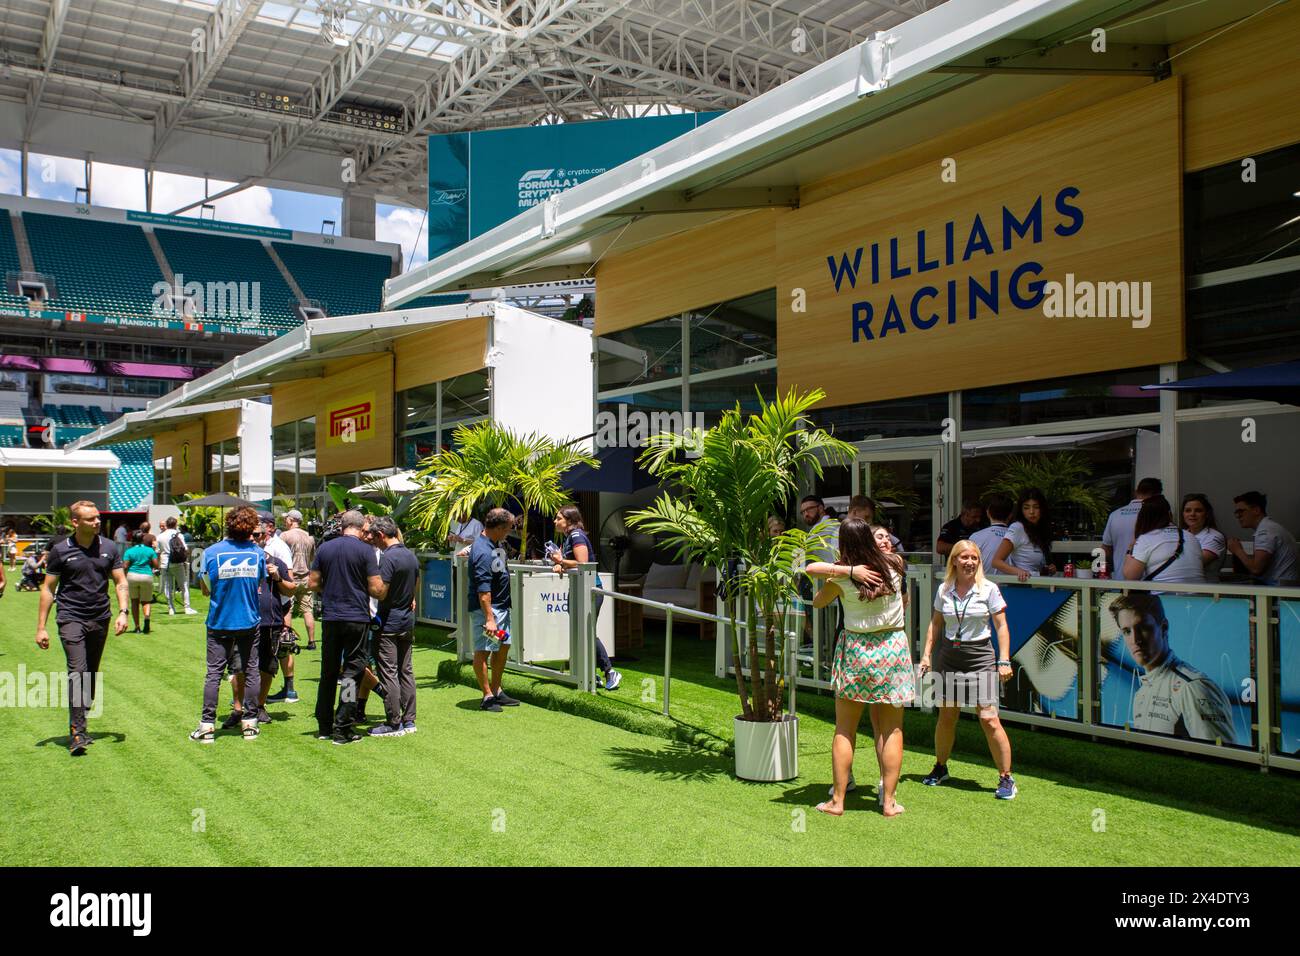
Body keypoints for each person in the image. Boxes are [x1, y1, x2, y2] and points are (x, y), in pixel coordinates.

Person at [805, 518, 913, 817]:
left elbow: (813, 588)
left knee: (845, 728)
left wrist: (846, 571)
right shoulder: (896, 564)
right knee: (892, 728)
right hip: (892, 649)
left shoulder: (839, 580)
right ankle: (889, 802)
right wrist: (852, 568)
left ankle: (838, 801)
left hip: (856, 649)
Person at [919, 540, 1017, 799]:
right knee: (947, 715)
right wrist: (927, 655)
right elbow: (935, 624)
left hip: (980, 657)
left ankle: (1006, 778)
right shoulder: (944, 589)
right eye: (964, 557)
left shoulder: (989, 589)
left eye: (974, 558)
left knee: (988, 718)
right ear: (954, 560)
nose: (970, 562)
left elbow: (1002, 627)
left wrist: (1004, 660)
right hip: (950, 656)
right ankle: (940, 768)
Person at [34, 501, 130, 756]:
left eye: (97, 518)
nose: (97, 522)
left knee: (90, 673)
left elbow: (120, 581)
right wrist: (41, 627)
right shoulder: (60, 550)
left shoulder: (109, 547)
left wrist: (123, 612)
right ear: (75, 523)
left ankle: (82, 712)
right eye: (90, 519)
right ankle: (78, 731)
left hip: (100, 618)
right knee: (77, 670)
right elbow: (48, 588)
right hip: (70, 616)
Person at [1107, 593, 1234, 742]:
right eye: (1127, 631)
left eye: (1143, 627)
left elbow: (1221, 760)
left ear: (1164, 628)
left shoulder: (1193, 688)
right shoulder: (1141, 693)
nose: (1135, 640)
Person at [309, 510, 385, 744]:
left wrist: (332, 589)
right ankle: (343, 727)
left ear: (342, 526)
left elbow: (313, 583)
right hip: (356, 618)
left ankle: (324, 726)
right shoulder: (366, 551)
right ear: (362, 528)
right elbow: (376, 589)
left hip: (332, 617)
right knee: (352, 673)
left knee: (328, 672)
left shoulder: (324, 548)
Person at [190, 507, 266, 743]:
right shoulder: (258, 553)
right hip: (248, 619)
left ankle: (207, 726)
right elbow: (259, 584)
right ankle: (250, 724)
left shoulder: (211, 552)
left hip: (219, 621)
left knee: (214, 673)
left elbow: (204, 588)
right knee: (251, 670)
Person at [224, 521, 297, 730]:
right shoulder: (237, 561)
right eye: (249, 535)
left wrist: (278, 577)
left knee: (268, 666)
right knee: (239, 666)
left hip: (270, 622)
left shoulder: (275, 562)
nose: (253, 539)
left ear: (265, 537)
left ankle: (259, 705)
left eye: (256, 535)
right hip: (242, 621)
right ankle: (238, 709)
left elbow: (291, 589)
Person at [551, 505, 621, 691]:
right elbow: (572, 563)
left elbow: (583, 563)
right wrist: (561, 565)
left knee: (587, 632)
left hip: (590, 589)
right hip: (578, 589)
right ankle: (591, 673)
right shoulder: (568, 538)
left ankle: (609, 671)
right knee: (580, 632)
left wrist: (560, 562)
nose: (555, 521)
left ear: (570, 520)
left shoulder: (576, 536)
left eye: (558, 518)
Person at [369, 516, 419, 737]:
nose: (371, 540)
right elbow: (417, 582)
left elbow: (381, 591)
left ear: (381, 535)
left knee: (389, 672)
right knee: (405, 670)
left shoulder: (388, 558)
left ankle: (394, 722)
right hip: (407, 620)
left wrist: (364, 585)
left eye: (373, 536)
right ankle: (409, 720)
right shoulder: (410, 555)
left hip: (389, 621)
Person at [469, 508, 520, 712]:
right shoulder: (482, 550)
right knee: (483, 650)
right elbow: (483, 590)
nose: (509, 531)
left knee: (502, 645)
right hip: (489, 611)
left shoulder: (493, 543)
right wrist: (489, 618)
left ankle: (497, 690)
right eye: (508, 528)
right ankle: (487, 696)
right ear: (498, 528)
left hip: (500, 609)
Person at [1122, 495, 1205, 585]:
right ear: (1169, 514)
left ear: (1143, 518)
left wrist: (1130, 548)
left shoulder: (1146, 539)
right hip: (1199, 595)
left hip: (1164, 595)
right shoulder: (1191, 536)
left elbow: (1131, 577)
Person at [1226, 491, 1298, 586]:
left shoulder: (1265, 531)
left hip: (1280, 591)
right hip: (1282, 586)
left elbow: (1256, 569)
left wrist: (1237, 550)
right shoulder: (1270, 527)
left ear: (1256, 510)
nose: (1238, 516)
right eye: (1236, 512)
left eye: (1241, 511)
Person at [1102, 477, 1163, 580]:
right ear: (1158, 495)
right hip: (1148, 583)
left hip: (1120, 580)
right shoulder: (1157, 515)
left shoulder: (1115, 515)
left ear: (1136, 492)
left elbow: (1105, 549)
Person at [991, 488, 1056, 581]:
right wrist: (1018, 571)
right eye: (1026, 507)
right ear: (1021, 510)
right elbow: (996, 562)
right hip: (1021, 586)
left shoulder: (1041, 530)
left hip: (1038, 585)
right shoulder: (1018, 527)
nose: (1031, 512)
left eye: (1036, 507)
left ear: (1042, 509)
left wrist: (1048, 569)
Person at [278, 509, 317, 658]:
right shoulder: (309, 536)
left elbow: (279, 557)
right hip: (306, 577)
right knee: (307, 610)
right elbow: (312, 557)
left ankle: (287, 637)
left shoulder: (285, 536)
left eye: (286, 518)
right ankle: (312, 641)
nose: (284, 521)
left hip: (291, 578)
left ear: (291, 520)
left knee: (287, 608)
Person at [1180, 493, 1226, 582]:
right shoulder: (1180, 534)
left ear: (1207, 514)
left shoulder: (1215, 536)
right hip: (1181, 590)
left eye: (1198, 510)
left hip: (1205, 591)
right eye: (1188, 510)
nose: (1192, 514)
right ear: (1183, 514)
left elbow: (1195, 564)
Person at [157, 516, 197, 615]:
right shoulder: (179, 535)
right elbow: (185, 549)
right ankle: (187, 608)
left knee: (167, 586)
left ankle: (171, 608)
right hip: (177, 563)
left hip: (164, 563)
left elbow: (158, 551)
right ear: (175, 524)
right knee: (183, 585)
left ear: (166, 524)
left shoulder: (160, 536)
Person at [121, 530, 159, 633]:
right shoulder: (150, 550)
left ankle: (137, 627)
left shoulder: (129, 551)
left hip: (132, 576)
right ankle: (146, 618)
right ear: (143, 539)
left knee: (134, 601)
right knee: (146, 601)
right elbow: (156, 565)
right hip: (146, 575)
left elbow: (125, 566)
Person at [969, 493, 1014, 574]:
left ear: (988, 513)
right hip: (1012, 585)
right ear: (1010, 515)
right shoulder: (1018, 537)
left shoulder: (976, 537)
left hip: (983, 584)